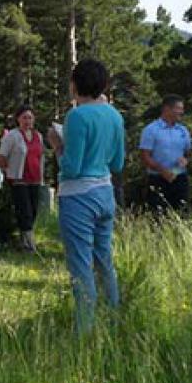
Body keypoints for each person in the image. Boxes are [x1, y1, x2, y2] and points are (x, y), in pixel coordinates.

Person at [47, 58, 125, 335]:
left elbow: (72, 167)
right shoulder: (115, 116)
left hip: (79, 196)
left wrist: (57, 145)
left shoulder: (77, 116)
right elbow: (118, 164)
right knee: (104, 259)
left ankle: (85, 332)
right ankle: (113, 320)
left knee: (80, 265)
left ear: (75, 84)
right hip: (106, 192)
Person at [139, 94, 192, 213]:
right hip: (158, 179)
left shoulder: (183, 130)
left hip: (179, 178)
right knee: (158, 216)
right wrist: (163, 171)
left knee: (181, 214)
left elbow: (189, 154)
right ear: (167, 109)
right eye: (179, 108)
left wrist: (186, 160)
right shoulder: (151, 130)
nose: (182, 112)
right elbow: (145, 156)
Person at [0, 105, 45, 252]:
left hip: (35, 178)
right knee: (25, 212)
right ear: (18, 119)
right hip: (19, 179)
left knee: (34, 210)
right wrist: (8, 171)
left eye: (30, 117)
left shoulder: (38, 136)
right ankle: (30, 244)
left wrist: (42, 176)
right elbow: (2, 157)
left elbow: (41, 156)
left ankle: (24, 241)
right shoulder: (12, 136)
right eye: (24, 117)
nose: (27, 121)